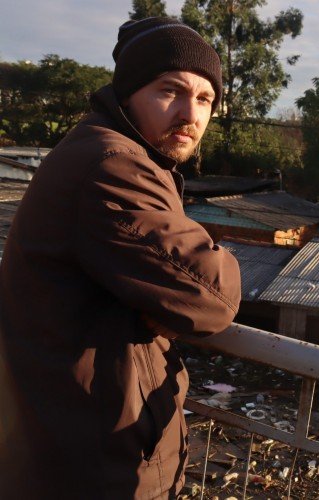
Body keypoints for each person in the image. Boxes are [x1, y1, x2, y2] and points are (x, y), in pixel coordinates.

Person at [0, 17, 242, 498]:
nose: (189, 114)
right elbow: (214, 297)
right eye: (170, 91)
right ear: (129, 91)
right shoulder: (114, 163)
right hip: (88, 461)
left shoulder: (101, 147)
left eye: (204, 99)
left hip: (63, 437)